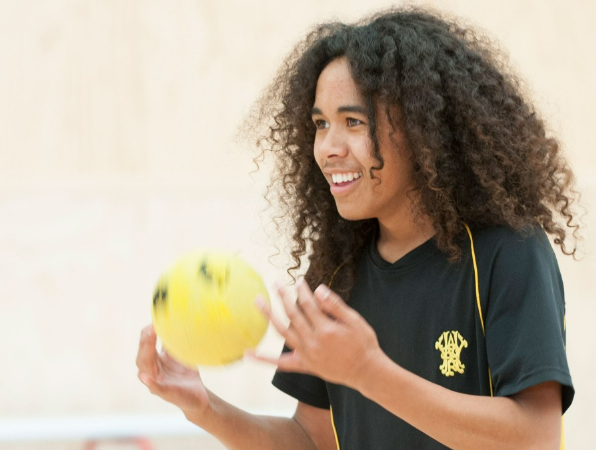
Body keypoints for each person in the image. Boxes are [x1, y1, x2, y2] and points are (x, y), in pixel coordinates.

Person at [136, 6, 581, 449]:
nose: (328, 147)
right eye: (320, 124)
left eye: (353, 122)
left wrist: (369, 373)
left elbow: (533, 437)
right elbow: (312, 441)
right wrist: (203, 408)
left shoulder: (508, 251)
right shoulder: (337, 268)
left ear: (426, 130)